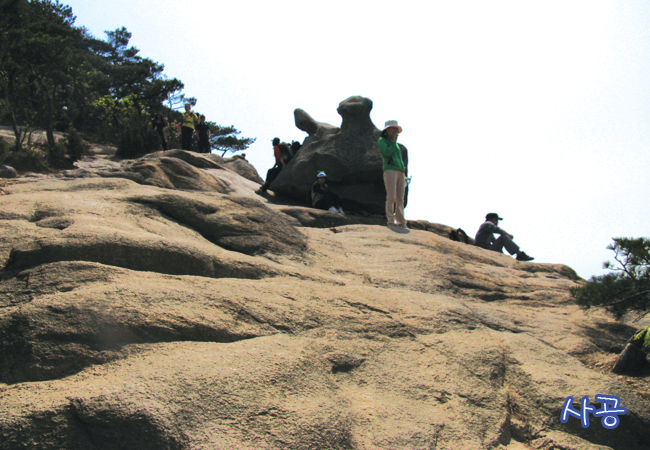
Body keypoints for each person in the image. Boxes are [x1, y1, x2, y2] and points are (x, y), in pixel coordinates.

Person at [378, 120, 407, 228]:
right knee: (391, 196)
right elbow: (387, 152)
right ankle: (391, 220)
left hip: (400, 171)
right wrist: (394, 142)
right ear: (387, 130)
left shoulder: (396, 145)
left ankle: (400, 221)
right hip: (390, 170)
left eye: (396, 129)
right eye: (393, 129)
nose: (395, 131)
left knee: (400, 198)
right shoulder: (382, 141)